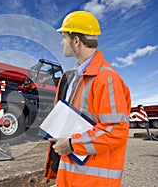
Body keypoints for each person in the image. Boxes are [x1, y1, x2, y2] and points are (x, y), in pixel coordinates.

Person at [43, 11, 131, 186]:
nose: (61, 42)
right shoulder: (74, 77)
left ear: (76, 41)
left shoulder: (107, 79)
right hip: (72, 175)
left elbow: (116, 130)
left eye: (64, 37)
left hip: (92, 180)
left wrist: (72, 144)